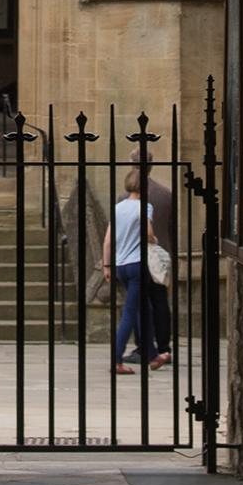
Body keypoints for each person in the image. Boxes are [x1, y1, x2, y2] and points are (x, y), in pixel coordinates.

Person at [104, 167, 172, 375]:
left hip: (120, 265)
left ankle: (151, 356)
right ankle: (116, 360)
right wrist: (154, 241)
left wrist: (107, 266)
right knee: (130, 312)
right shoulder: (144, 207)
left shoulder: (118, 208)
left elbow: (108, 240)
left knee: (144, 309)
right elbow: (148, 232)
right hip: (137, 265)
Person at [124, 149, 176, 364]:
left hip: (136, 256)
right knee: (161, 302)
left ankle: (143, 347)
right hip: (160, 257)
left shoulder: (125, 197)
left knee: (139, 304)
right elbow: (172, 229)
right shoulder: (166, 194)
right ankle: (164, 347)